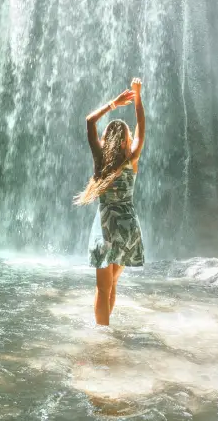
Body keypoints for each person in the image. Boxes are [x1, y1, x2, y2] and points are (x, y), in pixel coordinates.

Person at [74, 78, 146, 326]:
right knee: (113, 283)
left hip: (105, 227)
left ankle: (101, 336)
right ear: (126, 141)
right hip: (127, 229)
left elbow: (89, 121)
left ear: (105, 140)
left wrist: (113, 105)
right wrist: (138, 96)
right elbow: (141, 130)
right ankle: (107, 330)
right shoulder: (131, 159)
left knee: (102, 289)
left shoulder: (100, 161)